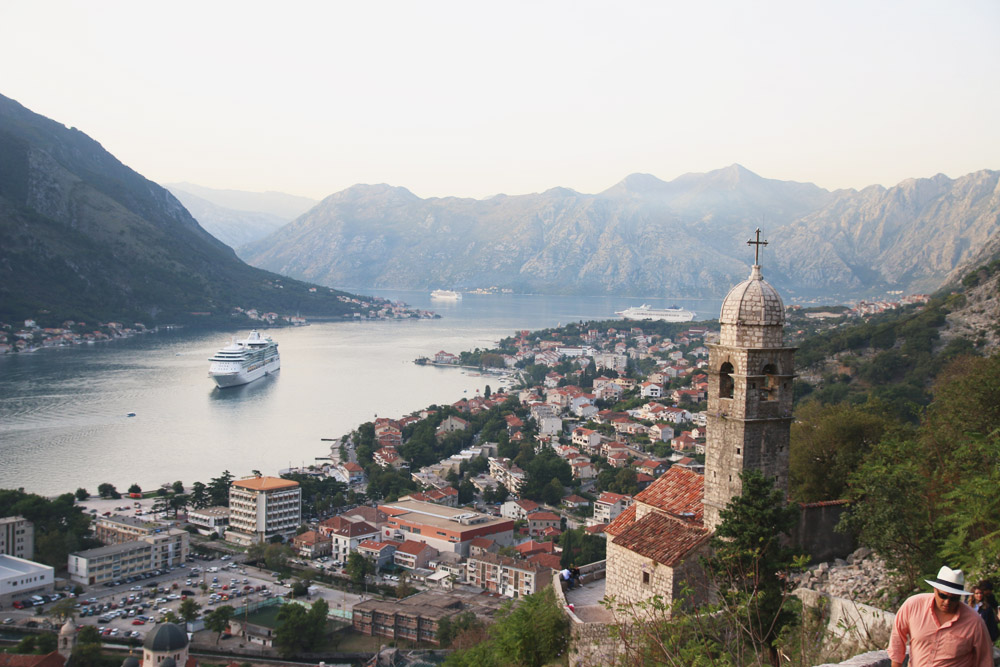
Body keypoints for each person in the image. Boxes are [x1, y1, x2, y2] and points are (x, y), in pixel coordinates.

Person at [888, 565, 993, 667]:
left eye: (954, 598)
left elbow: (985, 659)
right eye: (943, 596)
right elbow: (897, 639)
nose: (947, 602)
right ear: (935, 590)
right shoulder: (913, 606)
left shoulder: (974, 622)